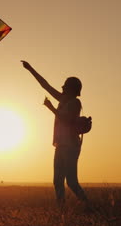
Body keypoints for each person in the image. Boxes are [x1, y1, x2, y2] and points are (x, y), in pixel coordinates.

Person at [21, 60, 88, 206]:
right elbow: (45, 85)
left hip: (71, 146)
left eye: (65, 86)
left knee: (71, 182)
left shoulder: (75, 103)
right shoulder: (64, 99)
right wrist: (30, 68)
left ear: (71, 89)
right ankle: (61, 210)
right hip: (61, 145)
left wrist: (51, 107)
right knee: (57, 181)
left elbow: (67, 120)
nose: (62, 88)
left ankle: (88, 205)